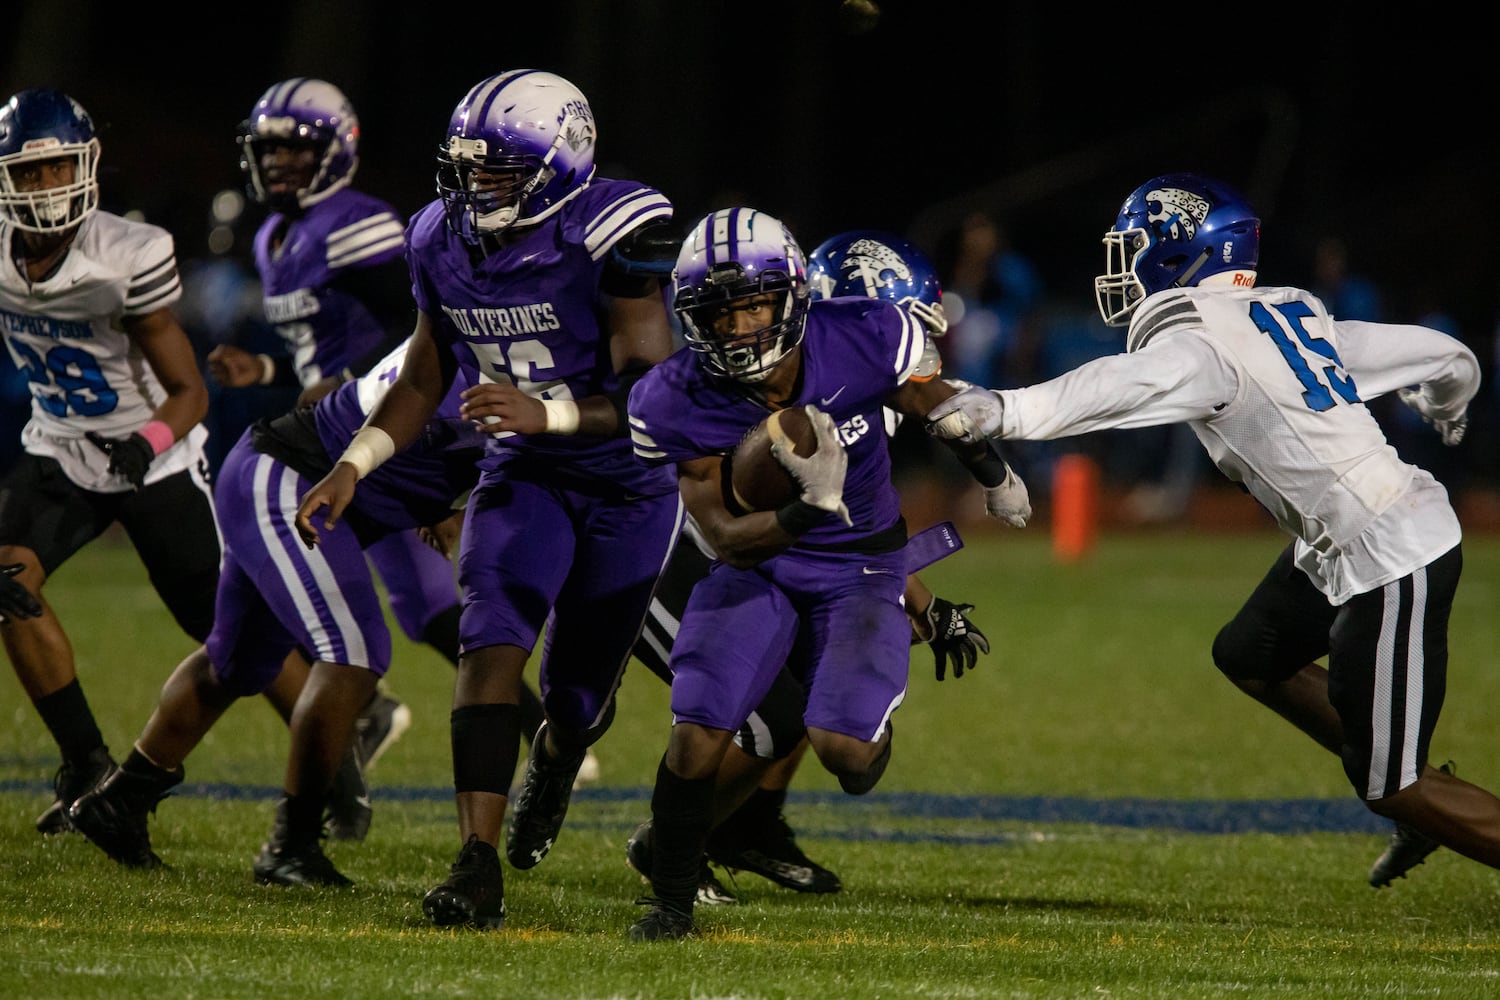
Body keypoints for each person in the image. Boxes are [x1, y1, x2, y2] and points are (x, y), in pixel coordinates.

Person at [927, 172, 1500, 892]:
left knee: (1391, 782)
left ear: (1181, 255)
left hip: (1390, 549)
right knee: (1250, 652)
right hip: (1354, 529)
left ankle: (1414, 795)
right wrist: (1453, 399)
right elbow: (1446, 356)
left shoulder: (1202, 343)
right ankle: (1395, 764)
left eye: (1135, 246)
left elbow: (1117, 385)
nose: (1122, 264)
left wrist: (1003, 411)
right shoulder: (1288, 314)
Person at [294, 69, 684, 930]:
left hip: (627, 484)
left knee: (578, 699)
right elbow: (427, 369)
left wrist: (541, 412)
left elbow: (655, 393)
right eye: (470, 167)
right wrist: (356, 464)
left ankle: (555, 756)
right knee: (490, 640)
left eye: (501, 169)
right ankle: (474, 861)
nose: (479, 186)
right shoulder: (440, 236)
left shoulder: (613, 230)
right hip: (524, 471)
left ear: (563, 161)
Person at [623, 207, 1030, 941]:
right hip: (758, 567)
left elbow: (934, 404)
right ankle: (670, 902)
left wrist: (994, 473)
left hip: (862, 567)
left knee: (848, 754)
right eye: (719, 313)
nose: (740, 327)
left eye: (752, 305)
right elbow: (721, 533)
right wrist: (804, 513)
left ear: (792, 297)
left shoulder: (862, 335)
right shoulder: (670, 398)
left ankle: (813, 762)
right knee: (700, 726)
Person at [68, 337, 482, 883]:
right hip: (288, 481)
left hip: (284, 480)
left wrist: (436, 501)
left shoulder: (485, 349)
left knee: (236, 661)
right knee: (355, 652)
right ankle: (293, 842)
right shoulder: (479, 363)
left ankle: (119, 800)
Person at [0, 88, 224, 836]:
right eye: (28, 174)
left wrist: (148, 444)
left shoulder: (125, 254)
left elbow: (190, 390)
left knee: (229, 631)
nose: (45, 187)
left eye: (58, 168)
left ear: (88, 165)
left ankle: (332, 751)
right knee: (7, 581)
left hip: (149, 454)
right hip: (61, 446)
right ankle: (86, 764)